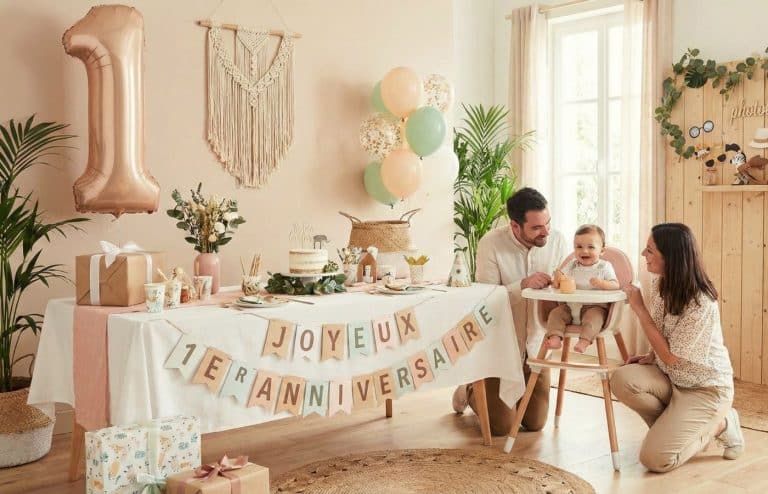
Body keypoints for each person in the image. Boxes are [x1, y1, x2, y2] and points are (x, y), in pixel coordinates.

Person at [613, 223, 744, 473]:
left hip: (705, 389)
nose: (643, 255)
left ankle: (721, 425)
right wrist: (650, 356)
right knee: (622, 378)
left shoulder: (701, 302)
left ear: (670, 257)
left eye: (650, 250)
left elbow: (672, 357)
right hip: (673, 379)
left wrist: (639, 308)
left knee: (655, 460)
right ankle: (678, 430)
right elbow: (663, 334)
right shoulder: (662, 284)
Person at [452, 187, 569, 435]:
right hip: (501, 345)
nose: (545, 232)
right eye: (536, 228)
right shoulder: (491, 244)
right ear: (515, 226)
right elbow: (485, 298)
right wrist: (522, 285)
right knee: (501, 427)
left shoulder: (556, 240)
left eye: (547, 223)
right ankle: (470, 388)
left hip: (536, 344)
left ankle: (513, 393)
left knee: (535, 423)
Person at [545, 224, 619, 353]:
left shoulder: (604, 267)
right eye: (579, 247)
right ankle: (555, 338)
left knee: (593, 320)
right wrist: (557, 276)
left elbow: (615, 285)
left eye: (591, 247)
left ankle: (584, 341)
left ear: (601, 250)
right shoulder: (572, 265)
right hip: (569, 306)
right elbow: (558, 280)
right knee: (555, 314)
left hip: (595, 307)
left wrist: (602, 284)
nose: (584, 251)